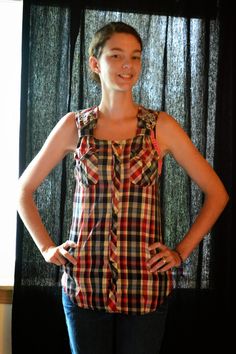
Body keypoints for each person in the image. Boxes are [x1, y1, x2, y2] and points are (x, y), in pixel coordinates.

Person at [17, 21, 229, 354]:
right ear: (94, 63)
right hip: (84, 286)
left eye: (135, 56)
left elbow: (217, 193)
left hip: (145, 288)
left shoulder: (161, 127)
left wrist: (180, 252)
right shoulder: (74, 127)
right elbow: (23, 191)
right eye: (116, 56)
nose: (127, 65)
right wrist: (46, 249)